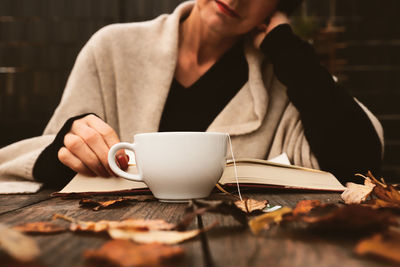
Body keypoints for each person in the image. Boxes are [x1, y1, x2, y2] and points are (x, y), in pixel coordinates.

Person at [0, 0, 383, 188]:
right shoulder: (112, 48)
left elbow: (358, 163)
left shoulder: (285, 76)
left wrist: (288, 50)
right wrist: (72, 142)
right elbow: (44, 159)